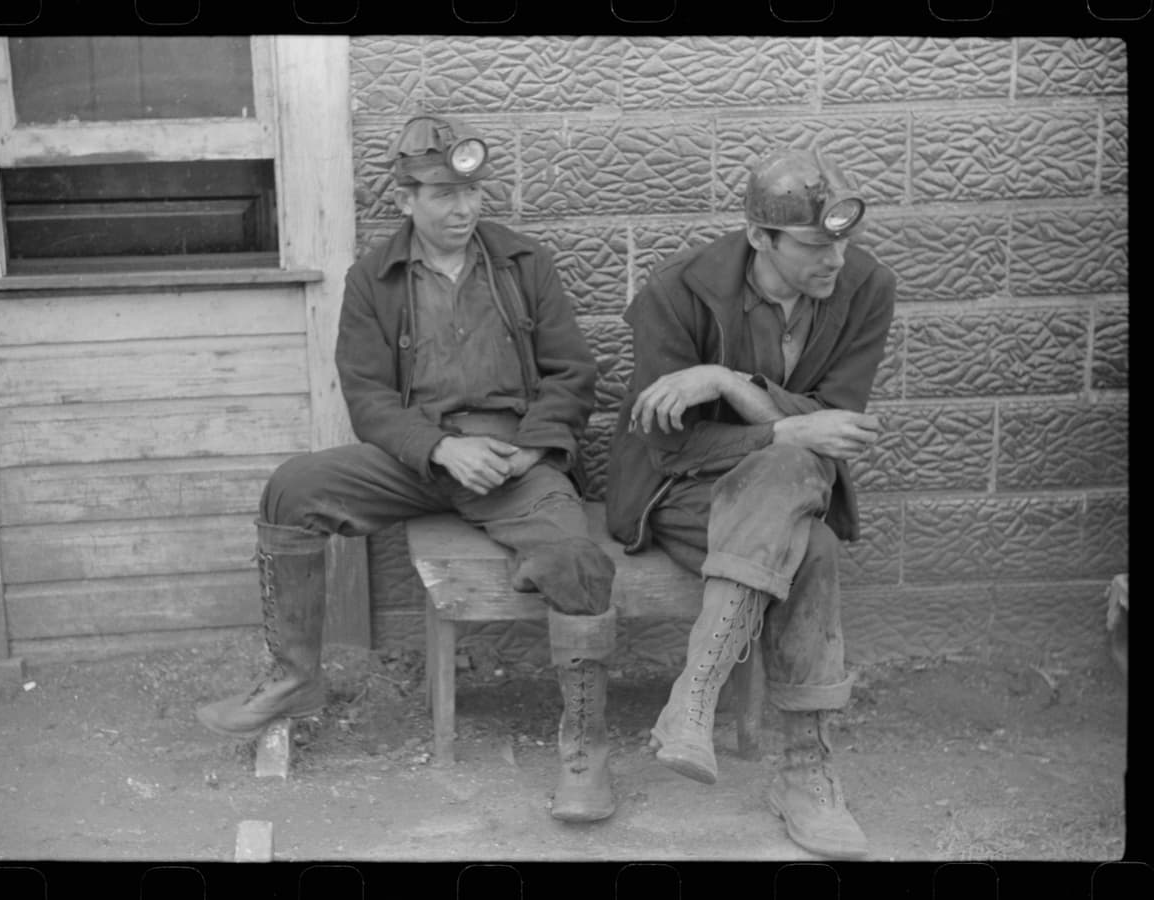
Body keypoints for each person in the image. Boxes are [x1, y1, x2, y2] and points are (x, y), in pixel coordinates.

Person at [196, 115, 619, 823]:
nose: (463, 209)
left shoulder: (523, 264)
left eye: (473, 192)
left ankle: (585, 750)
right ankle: (295, 676)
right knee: (292, 489)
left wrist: (532, 448)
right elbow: (366, 396)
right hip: (421, 458)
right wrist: (438, 448)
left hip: (514, 459)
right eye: (443, 195)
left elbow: (573, 373)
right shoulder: (375, 277)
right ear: (404, 200)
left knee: (577, 561)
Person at [605, 146, 896, 858]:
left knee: (793, 474)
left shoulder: (866, 286)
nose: (836, 258)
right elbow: (670, 449)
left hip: (786, 487)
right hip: (680, 492)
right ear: (759, 237)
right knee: (808, 532)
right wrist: (788, 427)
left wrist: (734, 387)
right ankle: (803, 770)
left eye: (845, 240)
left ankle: (694, 700)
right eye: (815, 244)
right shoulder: (678, 293)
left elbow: (842, 426)